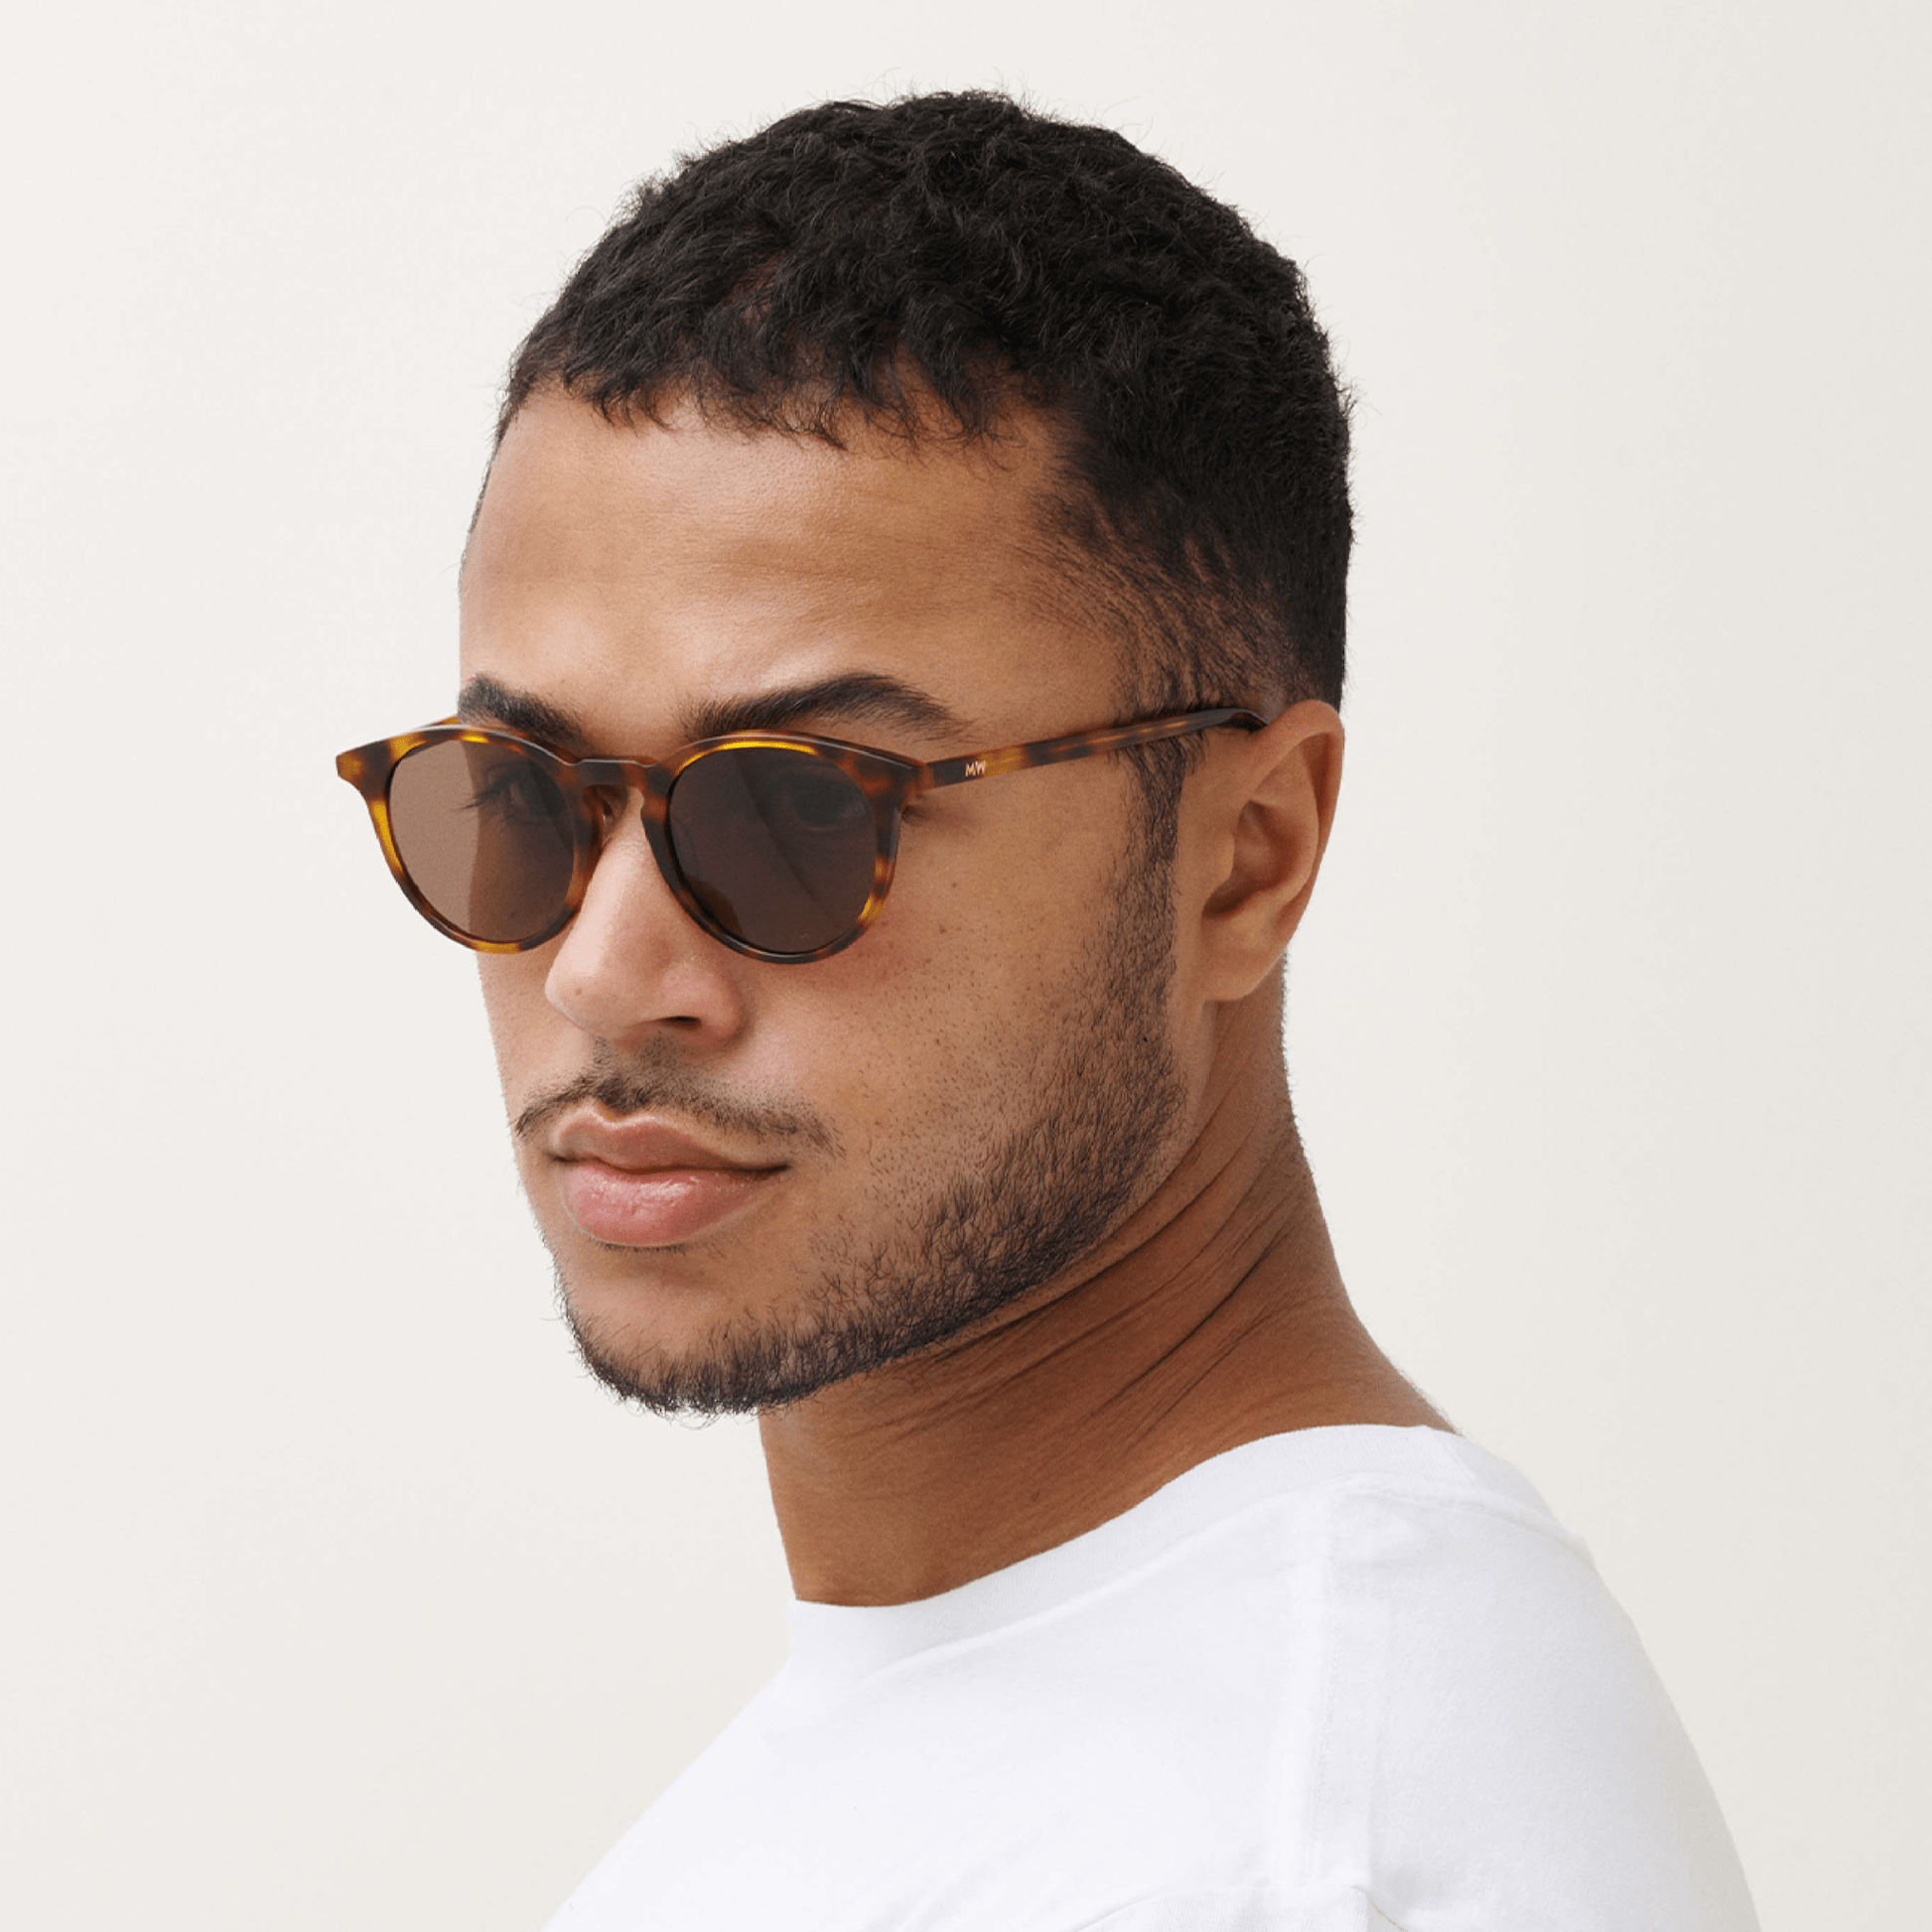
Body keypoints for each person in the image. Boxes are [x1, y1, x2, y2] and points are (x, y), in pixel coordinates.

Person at [338, 91, 1758, 1932]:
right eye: (518, 799)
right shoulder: (1054, 1741)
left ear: (1244, 856)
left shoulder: (1304, 1840)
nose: (603, 971)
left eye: (795, 811)